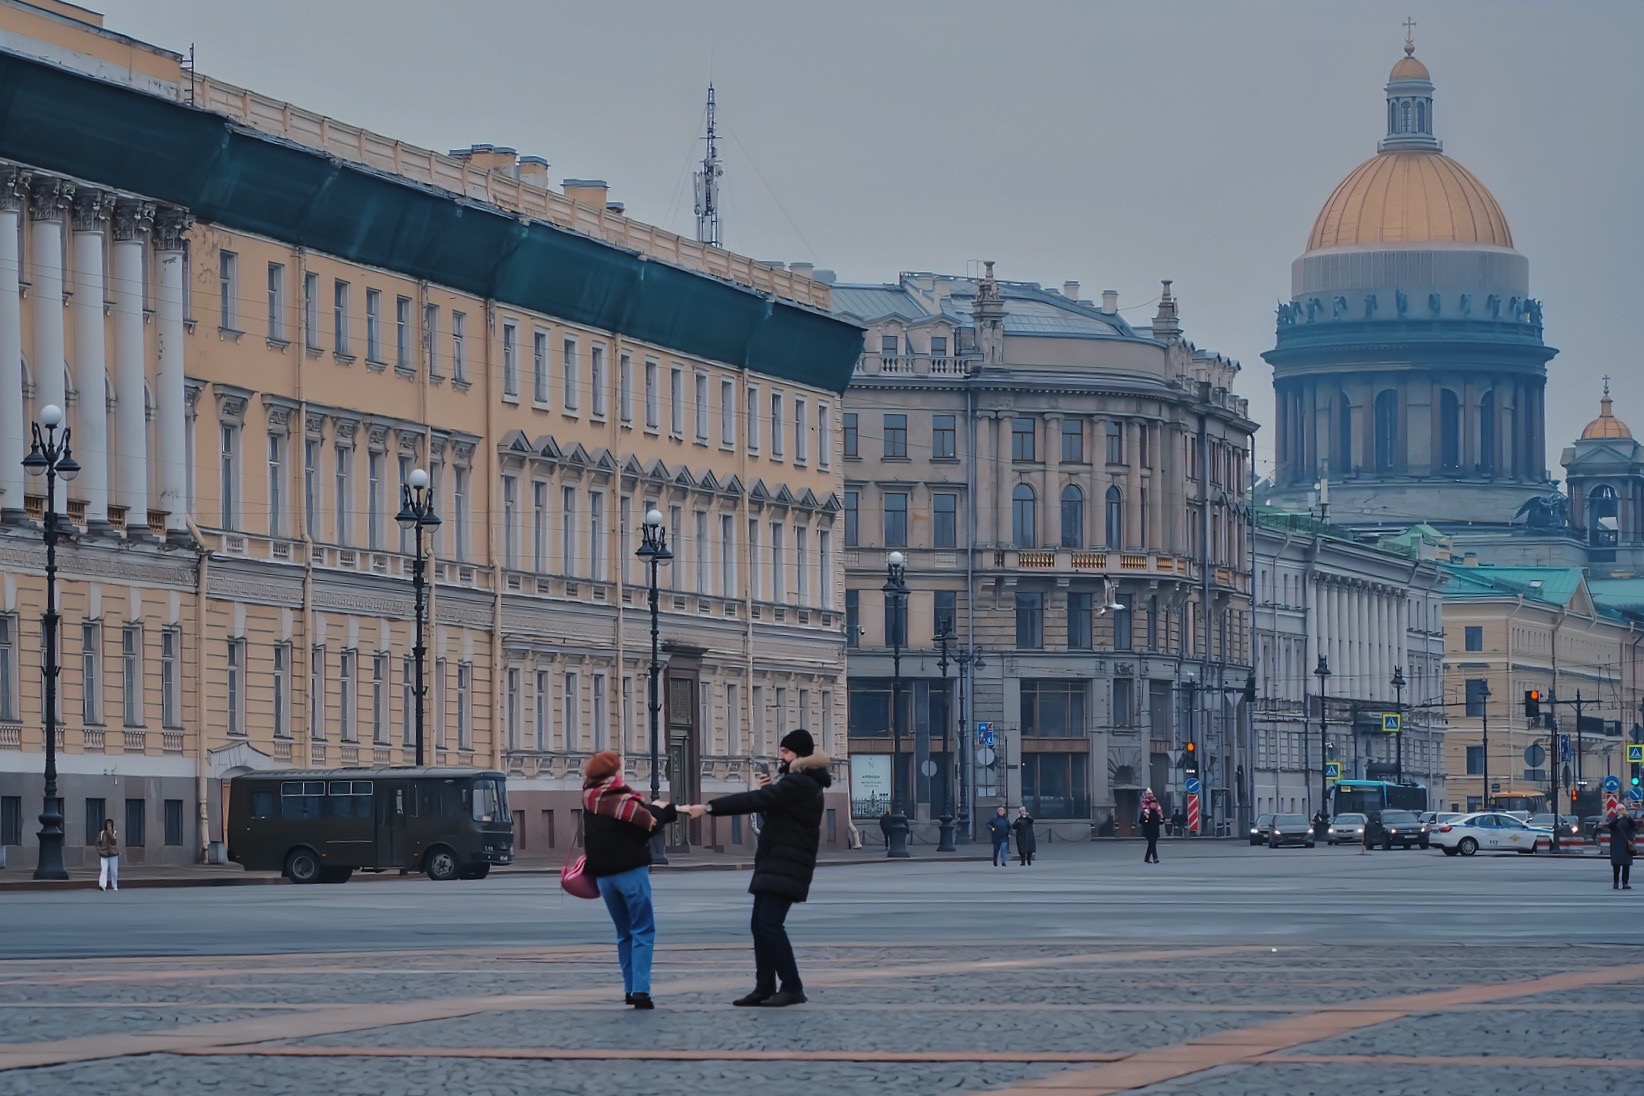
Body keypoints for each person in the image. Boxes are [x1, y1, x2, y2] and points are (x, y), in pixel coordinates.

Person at [693, 729, 831, 1008]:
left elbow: (753, 802)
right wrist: (770, 792)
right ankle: (765, 986)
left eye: (785, 752)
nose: (781, 756)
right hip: (777, 861)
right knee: (760, 925)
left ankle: (792, 986)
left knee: (769, 925)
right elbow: (775, 813)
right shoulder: (796, 783)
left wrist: (709, 808)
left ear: (798, 755)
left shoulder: (800, 783)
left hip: (787, 863)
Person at [582, 750, 678, 1010]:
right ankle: (641, 991)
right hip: (630, 873)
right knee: (643, 930)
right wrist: (665, 812)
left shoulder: (590, 797)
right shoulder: (621, 799)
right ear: (613, 772)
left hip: (604, 878)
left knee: (624, 933)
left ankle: (628, 988)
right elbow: (648, 824)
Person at [1609, 808, 1637, 891]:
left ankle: (1625, 883)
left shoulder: (1628, 819)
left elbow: (1634, 825)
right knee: (1616, 865)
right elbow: (1611, 826)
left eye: (1623, 809)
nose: (1622, 811)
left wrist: (1628, 817)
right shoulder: (1615, 818)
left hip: (1626, 845)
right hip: (1616, 844)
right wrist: (1618, 818)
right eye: (1620, 809)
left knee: (1626, 865)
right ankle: (1616, 883)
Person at [1138, 789, 1165, 864]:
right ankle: (1155, 858)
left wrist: (1162, 819)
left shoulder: (1157, 813)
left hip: (1155, 831)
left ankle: (1146, 858)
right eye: (1152, 804)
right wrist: (1145, 819)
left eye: (1154, 804)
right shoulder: (1145, 813)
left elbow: (1161, 821)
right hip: (1148, 831)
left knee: (1151, 845)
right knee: (1152, 844)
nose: (1153, 805)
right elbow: (1140, 821)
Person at [95, 818, 119, 892]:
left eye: (110, 824)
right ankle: (102, 885)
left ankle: (114, 885)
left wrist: (109, 833)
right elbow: (97, 843)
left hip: (113, 854)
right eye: (108, 824)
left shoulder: (114, 833)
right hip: (104, 854)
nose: (109, 826)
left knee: (114, 871)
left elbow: (114, 841)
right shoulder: (102, 833)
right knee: (104, 870)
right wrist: (100, 851)